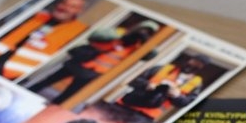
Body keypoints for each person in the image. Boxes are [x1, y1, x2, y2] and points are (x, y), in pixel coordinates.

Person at [27, 21, 160, 105]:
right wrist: (123, 37)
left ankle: (48, 110)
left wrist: (146, 41)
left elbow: (151, 56)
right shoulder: (119, 33)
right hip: (79, 63)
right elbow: (97, 35)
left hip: (92, 74)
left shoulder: (139, 48)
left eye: (148, 32)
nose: (142, 33)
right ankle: (27, 93)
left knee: (68, 96)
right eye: (142, 29)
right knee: (46, 81)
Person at [0, 0, 89, 80]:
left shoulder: (79, 30)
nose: (65, 8)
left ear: (79, 11)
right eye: (64, 3)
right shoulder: (39, 15)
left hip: (14, 73)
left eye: (73, 6)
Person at [116, 54, 208, 121]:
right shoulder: (162, 68)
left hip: (145, 116)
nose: (194, 65)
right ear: (189, 60)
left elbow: (187, 103)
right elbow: (134, 79)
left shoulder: (196, 83)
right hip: (126, 104)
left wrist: (177, 96)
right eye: (194, 61)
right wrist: (147, 84)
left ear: (202, 67)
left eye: (199, 64)